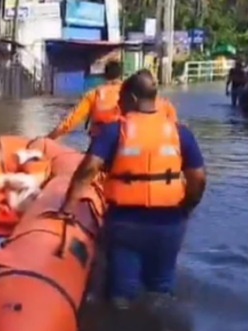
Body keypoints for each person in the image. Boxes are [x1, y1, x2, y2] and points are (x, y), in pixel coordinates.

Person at [58, 70, 207, 310]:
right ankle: (161, 329)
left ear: (133, 98)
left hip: (126, 222)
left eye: (121, 99)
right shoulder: (181, 132)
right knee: (161, 289)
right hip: (170, 224)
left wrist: (67, 207)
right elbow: (198, 179)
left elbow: (88, 170)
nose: (118, 105)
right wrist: (186, 208)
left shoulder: (113, 131)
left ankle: (121, 325)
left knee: (121, 292)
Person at [48, 60, 178, 140]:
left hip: (101, 145)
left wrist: (49, 138)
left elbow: (69, 122)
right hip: (131, 142)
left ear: (104, 76)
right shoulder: (138, 93)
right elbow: (167, 113)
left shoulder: (94, 94)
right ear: (121, 75)